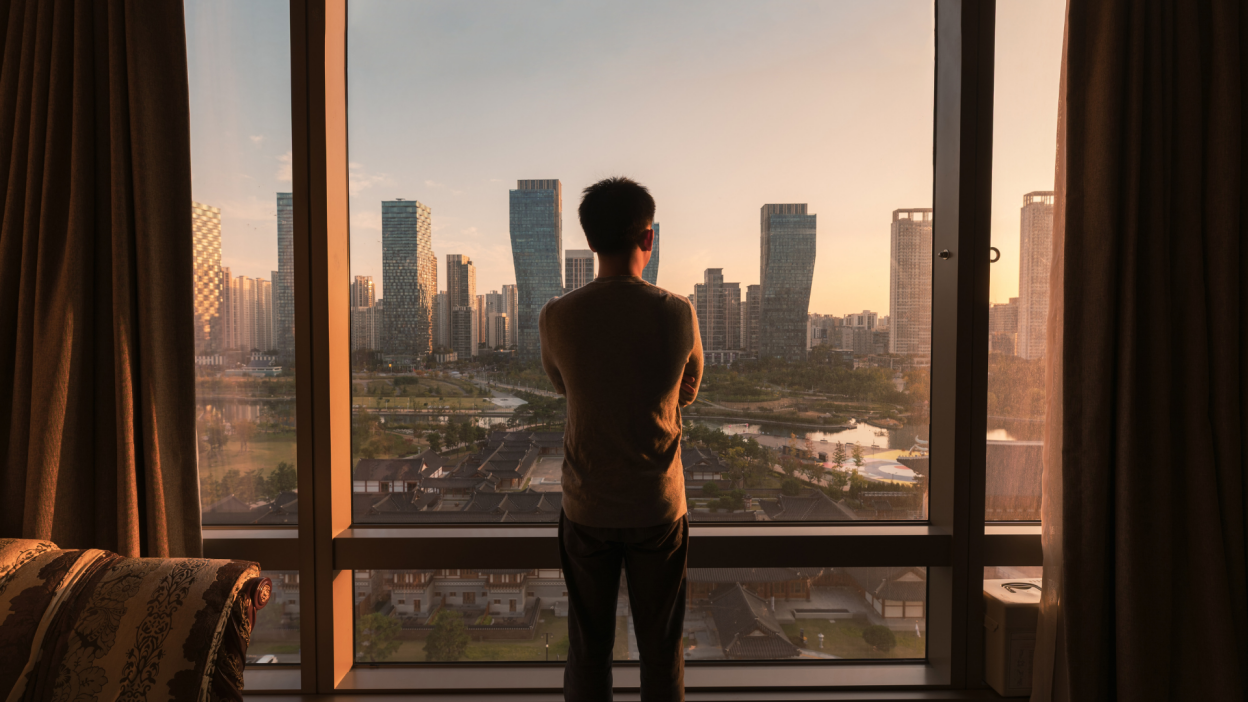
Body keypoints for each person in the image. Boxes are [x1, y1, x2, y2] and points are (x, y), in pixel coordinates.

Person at [539, 177, 702, 702]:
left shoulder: (557, 315)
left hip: (587, 508)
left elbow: (564, 386)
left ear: (590, 242)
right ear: (648, 238)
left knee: (588, 649)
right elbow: (689, 391)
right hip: (658, 506)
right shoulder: (678, 312)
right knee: (663, 650)